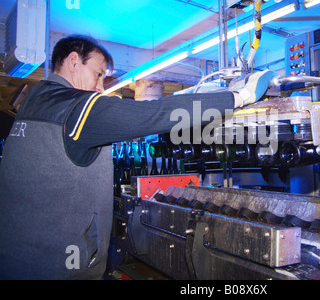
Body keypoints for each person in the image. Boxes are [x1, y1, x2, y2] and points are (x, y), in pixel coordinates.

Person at [0, 34, 270, 279]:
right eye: (97, 74)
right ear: (73, 61)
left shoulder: (34, 99)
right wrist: (235, 97)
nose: (99, 86)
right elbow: (152, 114)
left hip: (16, 258)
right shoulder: (76, 108)